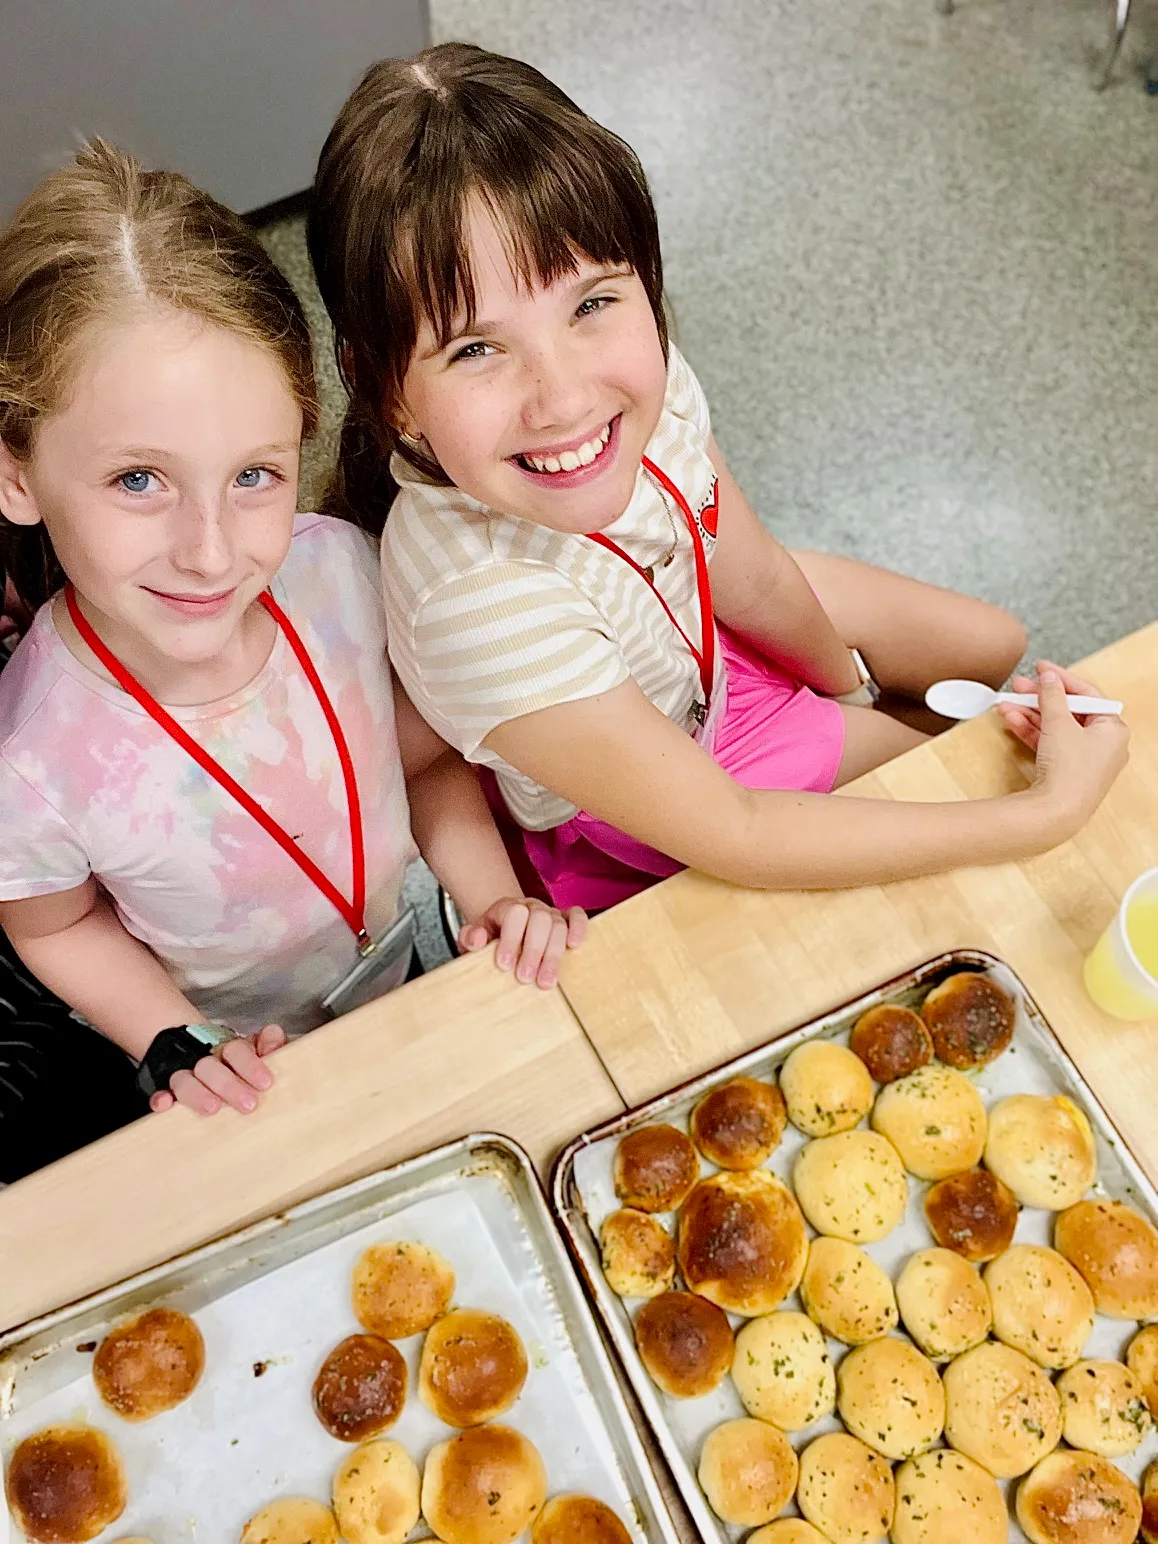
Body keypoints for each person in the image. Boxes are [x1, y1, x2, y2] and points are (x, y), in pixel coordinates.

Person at [304, 42, 1128, 912]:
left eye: (589, 303)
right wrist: (1047, 812)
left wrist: (845, 687)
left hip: (695, 634)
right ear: (385, 387)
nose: (568, 396)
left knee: (989, 642)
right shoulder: (476, 602)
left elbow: (746, 563)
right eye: (477, 348)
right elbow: (738, 829)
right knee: (954, 788)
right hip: (659, 775)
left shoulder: (641, 382)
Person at [0, 141, 585, 1131]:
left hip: (412, 956)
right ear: (16, 471)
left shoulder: (343, 571)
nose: (210, 550)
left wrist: (491, 897)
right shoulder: (30, 759)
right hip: (242, 1055)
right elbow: (54, 923)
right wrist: (172, 1035)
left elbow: (427, 762)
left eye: (254, 474)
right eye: (138, 480)